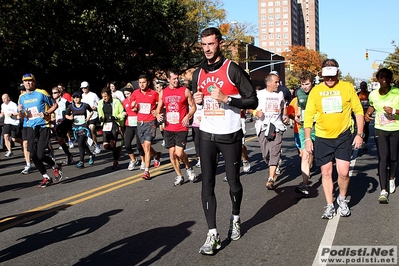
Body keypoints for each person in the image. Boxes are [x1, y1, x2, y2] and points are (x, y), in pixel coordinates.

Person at [192, 27, 258, 255]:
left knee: (233, 182)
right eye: (204, 45)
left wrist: (227, 98)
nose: (207, 49)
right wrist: (197, 99)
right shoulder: (198, 73)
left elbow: (252, 101)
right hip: (207, 135)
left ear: (219, 43)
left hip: (230, 136)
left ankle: (236, 217)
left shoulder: (233, 69)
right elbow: (198, 100)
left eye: (211, 44)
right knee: (207, 183)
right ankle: (212, 233)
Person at [304, 59, 364, 219]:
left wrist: (359, 134)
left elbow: (358, 110)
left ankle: (342, 199)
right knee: (326, 172)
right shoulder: (316, 91)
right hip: (323, 137)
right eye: (326, 77)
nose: (329, 80)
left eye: (332, 76)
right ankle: (330, 205)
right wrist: (308, 139)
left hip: (343, 136)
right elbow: (308, 115)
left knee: (343, 173)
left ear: (337, 73)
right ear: (322, 75)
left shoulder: (347, 87)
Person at [17, 73, 63, 188]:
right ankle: (46, 177)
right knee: (33, 155)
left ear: (34, 82)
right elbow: (22, 115)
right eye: (25, 81)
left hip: (43, 126)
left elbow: (54, 105)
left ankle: (55, 165)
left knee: (41, 154)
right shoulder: (21, 97)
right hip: (29, 127)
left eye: (30, 81)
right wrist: (20, 112)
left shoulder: (41, 93)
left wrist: (46, 113)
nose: (27, 83)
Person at [155, 69, 197, 186]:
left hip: (181, 127)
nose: (176, 80)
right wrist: (158, 115)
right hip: (169, 127)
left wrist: (188, 116)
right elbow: (158, 108)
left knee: (179, 153)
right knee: (172, 154)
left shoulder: (185, 91)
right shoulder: (163, 92)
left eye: (177, 78)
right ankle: (179, 176)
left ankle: (188, 167)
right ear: (168, 79)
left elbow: (193, 107)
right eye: (174, 79)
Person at [365, 68, 399, 203]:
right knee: (383, 158)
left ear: (390, 79)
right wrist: (368, 114)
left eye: (386, 77)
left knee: (393, 157)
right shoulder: (373, 94)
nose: (384, 80)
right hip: (380, 128)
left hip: (396, 128)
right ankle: (383, 190)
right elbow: (372, 106)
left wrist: (394, 110)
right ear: (377, 79)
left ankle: (391, 177)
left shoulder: (397, 92)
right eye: (381, 77)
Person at [252, 73, 288, 190]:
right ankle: (274, 163)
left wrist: (285, 115)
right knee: (265, 154)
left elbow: (283, 105)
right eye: (276, 82)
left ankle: (271, 178)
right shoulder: (259, 94)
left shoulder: (280, 94)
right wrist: (255, 112)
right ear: (268, 83)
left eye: (279, 82)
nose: (278, 84)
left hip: (276, 126)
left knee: (274, 151)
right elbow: (248, 108)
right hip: (262, 127)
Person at [131, 74, 162, 180]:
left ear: (148, 83)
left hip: (150, 122)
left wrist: (157, 111)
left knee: (147, 146)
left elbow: (161, 104)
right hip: (140, 123)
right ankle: (156, 155)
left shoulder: (153, 94)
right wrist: (134, 107)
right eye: (140, 82)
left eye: (144, 82)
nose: (142, 84)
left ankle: (146, 171)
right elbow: (132, 105)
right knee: (145, 147)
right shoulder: (135, 93)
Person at [293, 70, 316, 195]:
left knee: (325, 157)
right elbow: (300, 106)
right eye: (302, 84)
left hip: (319, 126)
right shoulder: (299, 93)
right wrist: (297, 115)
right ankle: (305, 183)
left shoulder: (318, 91)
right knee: (305, 155)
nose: (304, 87)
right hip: (304, 126)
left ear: (312, 83)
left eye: (307, 84)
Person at [65, 91, 95, 168]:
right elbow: (66, 115)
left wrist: (88, 117)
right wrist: (70, 117)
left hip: (84, 127)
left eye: (77, 97)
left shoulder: (85, 105)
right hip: (75, 128)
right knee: (82, 144)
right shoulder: (70, 106)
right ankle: (91, 155)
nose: (76, 99)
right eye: (74, 97)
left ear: (80, 98)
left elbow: (91, 111)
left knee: (80, 143)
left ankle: (81, 162)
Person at [97, 87, 125, 170]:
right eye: (103, 96)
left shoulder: (116, 102)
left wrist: (116, 117)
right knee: (105, 145)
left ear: (109, 95)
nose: (104, 98)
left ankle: (115, 161)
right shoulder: (100, 103)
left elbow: (122, 113)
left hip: (114, 124)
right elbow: (100, 113)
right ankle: (117, 150)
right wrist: (101, 118)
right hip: (106, 124)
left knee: (113, 143)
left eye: (105, 96)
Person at [122, 83, 143, 170]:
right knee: (127, 145)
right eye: (125, 94)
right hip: (129, 125)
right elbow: (123, 110)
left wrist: (137, 109)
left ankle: (144, 161)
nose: (127, 96)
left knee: (139, 145)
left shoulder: (137, 100)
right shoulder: (124, 102)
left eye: (128, 94)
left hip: (138, 124)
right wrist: (123, 113)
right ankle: (133, 160)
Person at [51, 86, 74, 165]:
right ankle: (69, 155)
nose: (54, 94)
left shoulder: (64, 101)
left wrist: (70, 117)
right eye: (53, 93)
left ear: (59, 93)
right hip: (57, 122)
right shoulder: (52, 102)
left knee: (60, 140)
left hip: (65, 122)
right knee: (60, 141)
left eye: (55, 93)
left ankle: (69, 156)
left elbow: (71, 110)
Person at [81, 81, 101, 154]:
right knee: (87, 132)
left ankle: (96, 145)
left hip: (94, 115)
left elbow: (100, 103)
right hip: (85, 116)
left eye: (85, 87)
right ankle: (89, 145)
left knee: (91, 129)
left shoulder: (93, 95)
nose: (84, 89)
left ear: (88, 87)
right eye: (83, 88)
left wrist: (95, 107)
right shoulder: (81, 96)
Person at [358, 81, 370, 149]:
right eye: (361, 85)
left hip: (367, 113)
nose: (363, 87)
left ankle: (365, 141)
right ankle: (360, 139)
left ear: (366, 86)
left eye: (364, 85)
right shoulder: (358, 94)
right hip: (360, 114)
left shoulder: (369, 94)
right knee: (361, 127)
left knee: (366, 127)